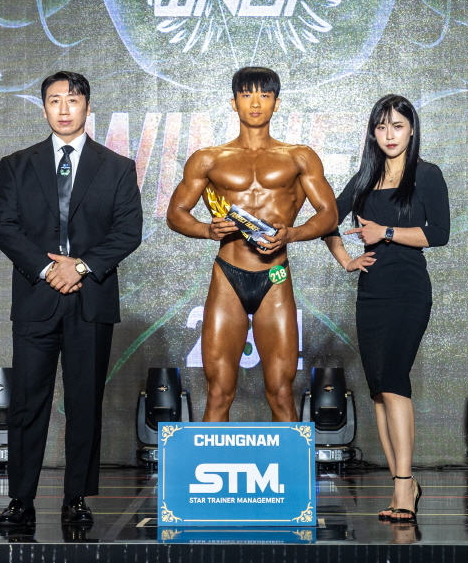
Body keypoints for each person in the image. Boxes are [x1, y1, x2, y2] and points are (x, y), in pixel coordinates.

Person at [0, 71, 143, 528]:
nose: (63, 109)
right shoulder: (16, 164)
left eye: (72, 100)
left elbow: (128, 232)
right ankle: (20, 499)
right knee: (27, 402)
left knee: (84, 402)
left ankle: (76, 496)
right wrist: (48, 269)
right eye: (54, 100)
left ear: (87, 108)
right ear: (44, 108)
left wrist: (77, 267)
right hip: (36, 298)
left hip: (90, 298)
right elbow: (5, 229)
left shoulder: (117, 167)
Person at [166, 67, 338, 422]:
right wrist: (206, 230)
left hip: (275, 276)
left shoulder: (300, 157)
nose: (255, 103)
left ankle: (289, 462)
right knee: (218, 393)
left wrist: (292, 234)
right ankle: (213, 460)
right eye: (246, 95)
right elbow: (176, 213)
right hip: (228, 275)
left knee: (281, 392)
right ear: (234, 103)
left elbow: (329, 214)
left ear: (277, 103)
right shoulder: (208, 158)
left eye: (264, 95)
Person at [322, 95, 450, 522]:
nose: (390, 134)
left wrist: (386, 232)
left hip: (408, 290)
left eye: (397, 125)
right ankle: (403, 483)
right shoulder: (363, 178)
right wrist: (346, 259)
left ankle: (403, 485)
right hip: (371, 293)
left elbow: (439, 233)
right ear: (372, 133)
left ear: (411, 129)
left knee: (394, 382)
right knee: (379, 390)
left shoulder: (427, 174)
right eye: (381, 127)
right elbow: (326, 221)